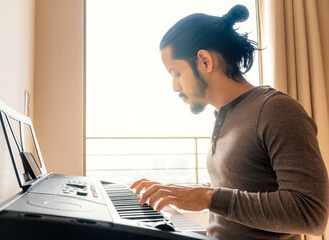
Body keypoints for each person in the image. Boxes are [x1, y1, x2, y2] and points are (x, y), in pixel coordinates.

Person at [130, 5, 329, 240]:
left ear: (204, 61)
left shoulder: (276, 110)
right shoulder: (226, 114)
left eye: (176, 73)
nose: (175, 86)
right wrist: (177, 192)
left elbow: (311, 214)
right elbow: (240, 185)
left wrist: (206, 197)